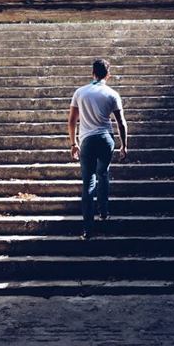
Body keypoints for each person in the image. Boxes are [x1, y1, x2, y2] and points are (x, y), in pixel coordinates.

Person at [68, 58, 128, 240]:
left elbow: (72, 121)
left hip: (87, 140)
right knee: (103, 173)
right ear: (108, 75)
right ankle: (104, 211)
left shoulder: (80, 92)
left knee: (88, 182)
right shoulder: (112, 94)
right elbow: (121, 123)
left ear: (92, 73)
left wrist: (73, 143)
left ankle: (87, 230)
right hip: (106, 139)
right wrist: (124, 145)